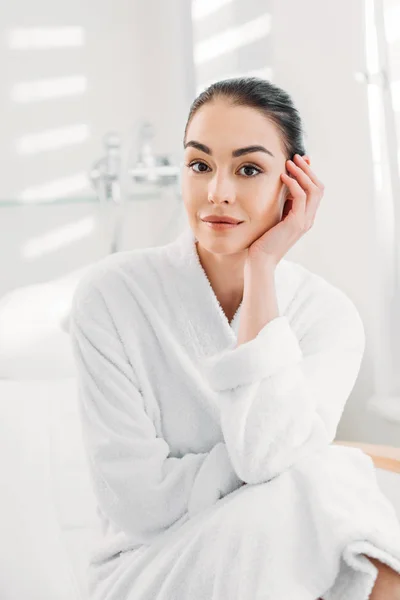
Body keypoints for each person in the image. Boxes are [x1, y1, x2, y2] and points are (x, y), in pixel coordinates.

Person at [69, 77, 400, 600]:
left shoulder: (328, 317)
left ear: (293, 186)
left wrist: (262, 267)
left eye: (249, 169)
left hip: (278, 542)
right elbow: (137, 503)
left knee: (323, 502)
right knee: (324, 483)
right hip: (148, 564)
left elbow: (266, 457)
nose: (217, 191)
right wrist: (278, 469)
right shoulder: (111, 296)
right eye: (200, 165)